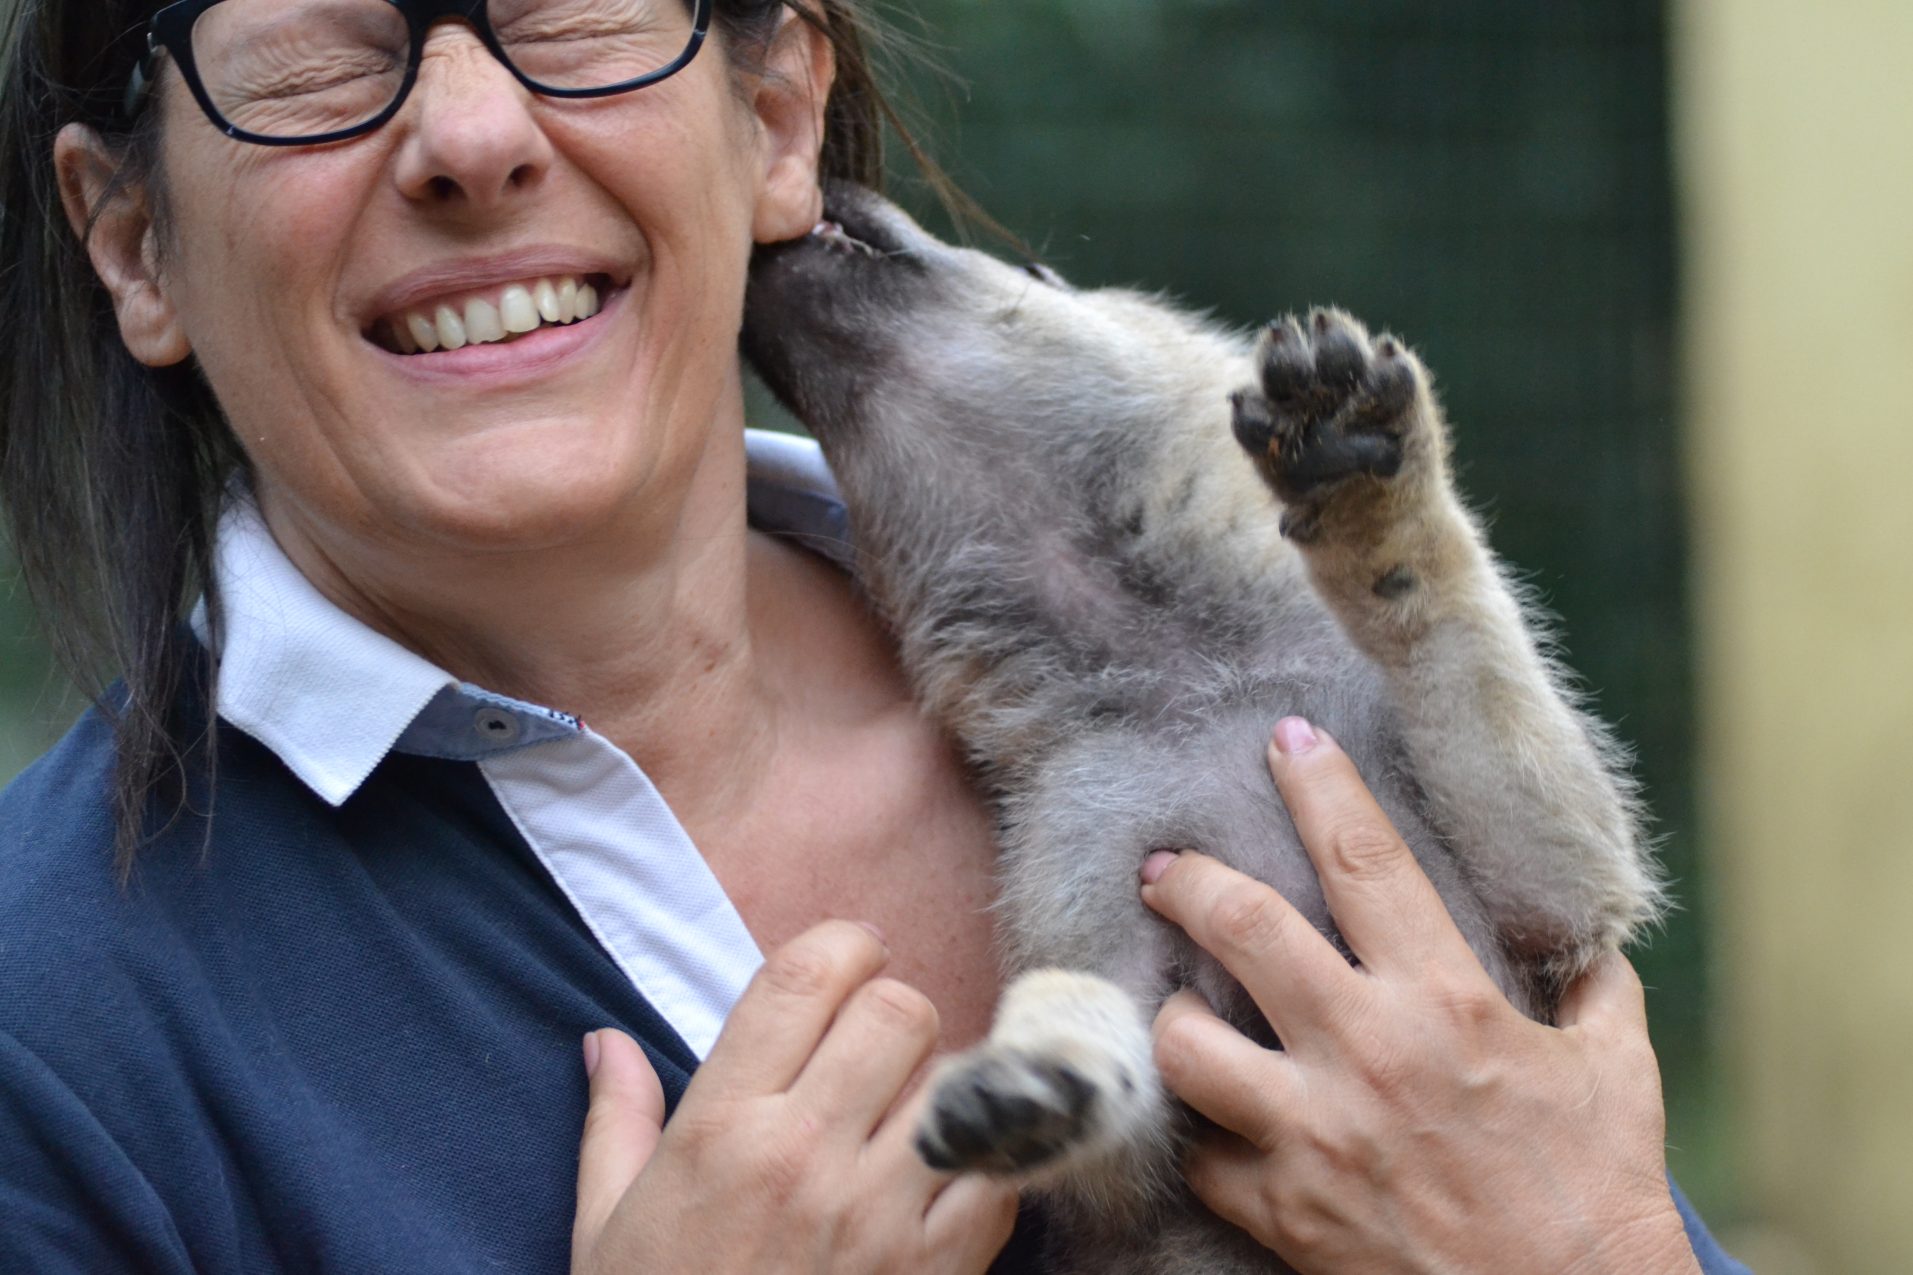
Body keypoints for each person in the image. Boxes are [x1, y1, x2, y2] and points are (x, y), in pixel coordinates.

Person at [0, 0, 1745, 1271]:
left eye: (567, 14)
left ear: (773, 113)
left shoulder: (1264, 712)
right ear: (135, 243)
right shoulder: (54, 1030)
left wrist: (1587, 1253)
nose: (471, 137)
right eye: (321, 53)